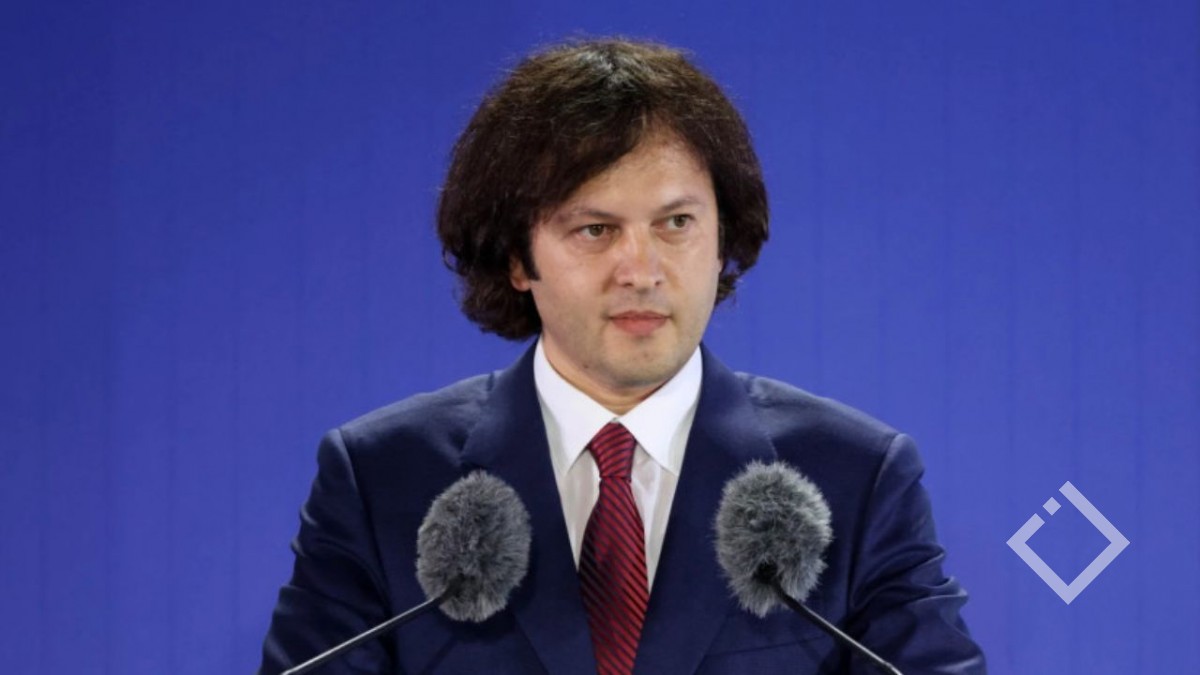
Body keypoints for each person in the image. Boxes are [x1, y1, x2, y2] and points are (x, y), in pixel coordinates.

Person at [260, 38, 986, 674]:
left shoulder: (855, 477)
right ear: (516, 257)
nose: (642, 270)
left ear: (722, 239)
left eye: (676, 223)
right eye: (595, 230)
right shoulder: (381, 479)